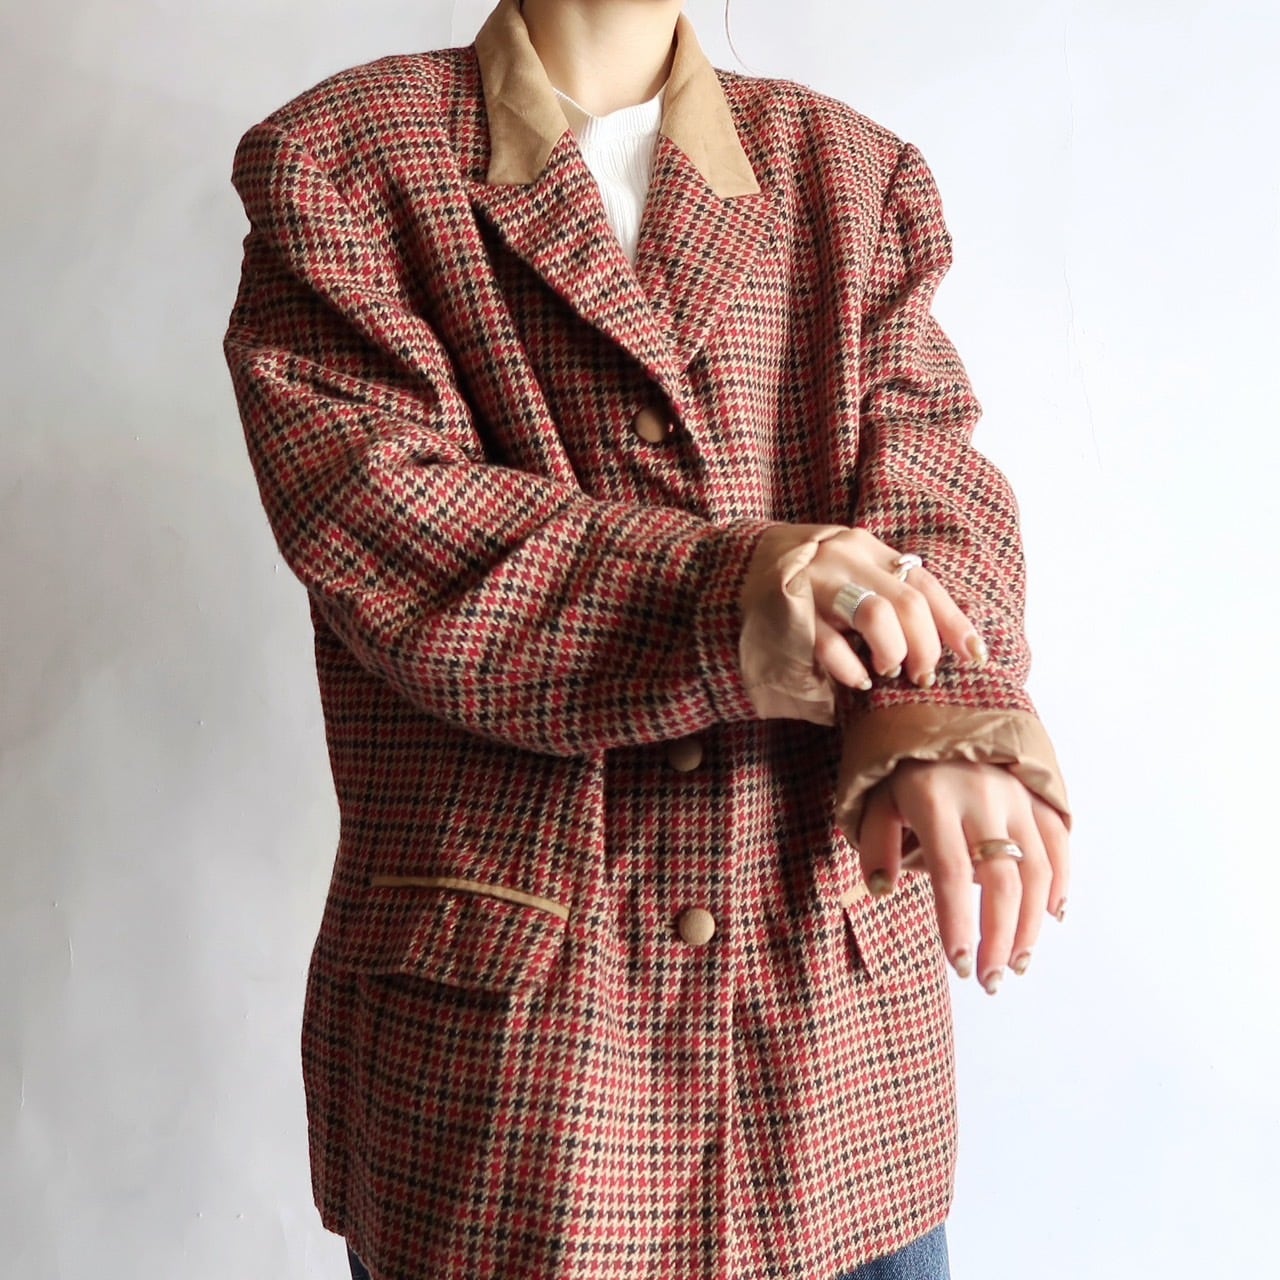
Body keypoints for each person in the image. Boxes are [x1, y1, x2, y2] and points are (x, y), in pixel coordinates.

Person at [221, 0, 1073, 1276]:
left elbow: (930, 483)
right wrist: (728, 597)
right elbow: (385, 522)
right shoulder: (344, 160)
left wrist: (936, 707)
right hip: (522, 1071)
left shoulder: (851, 174)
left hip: (823, 1058)